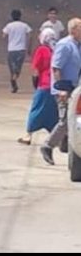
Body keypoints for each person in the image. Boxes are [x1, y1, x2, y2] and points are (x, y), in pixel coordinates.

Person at [40, 16, 81, 166]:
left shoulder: (78, 45)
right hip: (63, 89)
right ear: (73, 30)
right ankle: (47, 145)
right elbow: (56, 68)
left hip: (75, 89)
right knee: (65, 121)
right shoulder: (65, 45)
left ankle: (65, 144)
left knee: (75, 120)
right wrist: (61, 88)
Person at [18, 27, 59, 145]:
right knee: (53, 112)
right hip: (54, 86)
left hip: (43, 84)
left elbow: (36, 69)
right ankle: (56, 137)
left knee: (36, 109)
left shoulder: (41, 50)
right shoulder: (55, 50)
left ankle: (28, 135)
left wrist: (35, 83)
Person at [2, 8, 32, 93]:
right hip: (21, 49)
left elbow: (4, 35)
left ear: (12, 16)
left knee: (12, 67)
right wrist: (28, 47)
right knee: (18, 68)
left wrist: (9, 40)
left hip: (11, 49)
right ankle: (14, 79)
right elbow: (30, 35)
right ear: (20, 16)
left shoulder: (9, 26)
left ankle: (13, 81)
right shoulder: (24, 25)